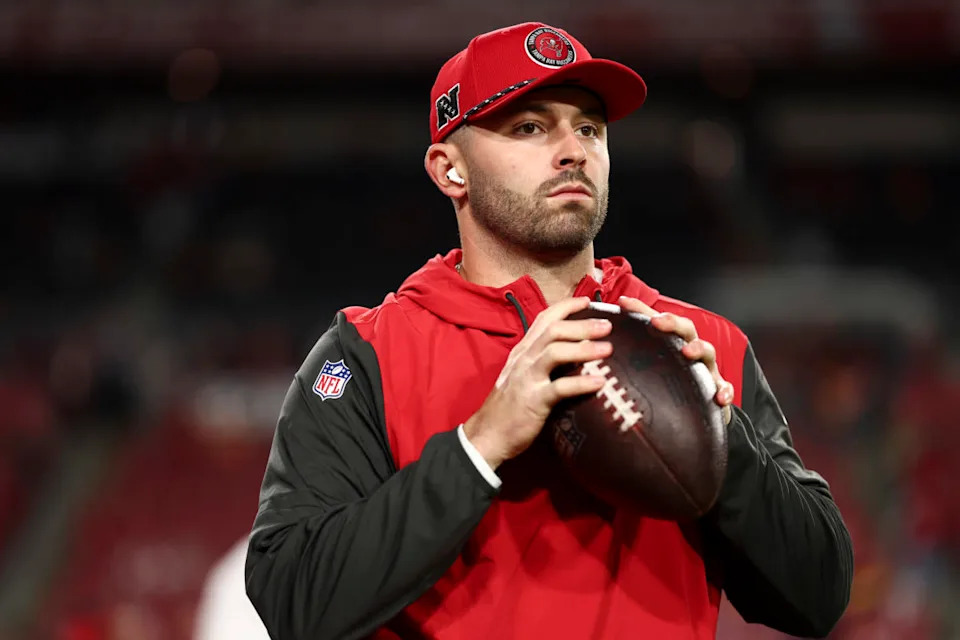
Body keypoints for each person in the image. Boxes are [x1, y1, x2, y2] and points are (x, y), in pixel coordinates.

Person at [245, 22, 853, 639]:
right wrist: (478, 447)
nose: (573, 150)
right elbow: (295, 601)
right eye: (530, 127)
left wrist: (720, 437)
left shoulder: (703, 344)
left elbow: (819, 594)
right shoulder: (366, 354)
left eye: (589, 127)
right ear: (449, 170)